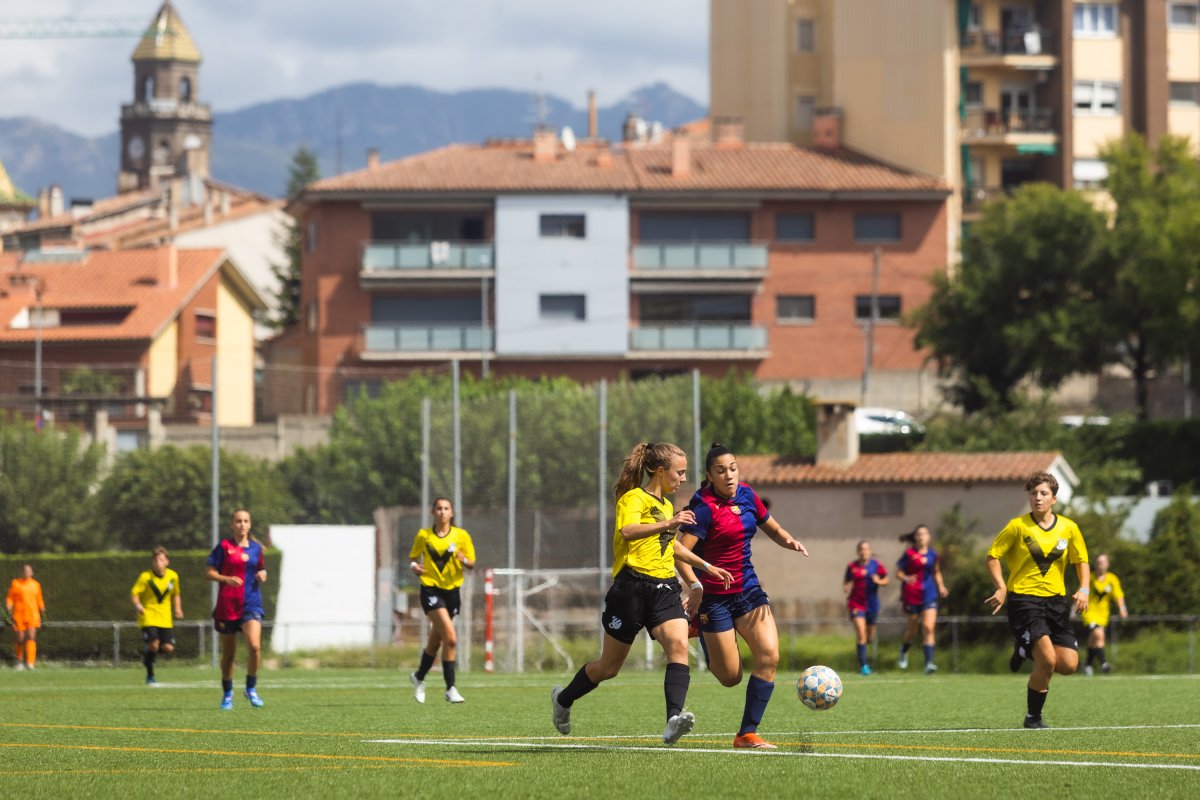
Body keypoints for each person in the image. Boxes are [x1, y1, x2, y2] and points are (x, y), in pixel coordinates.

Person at [550, 442, 734, 745]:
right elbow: (629, 531)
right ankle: (564, 699)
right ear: (660, 471)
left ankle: (673, 719)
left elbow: (670, 543)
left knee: (677, 644)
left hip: (664, 587)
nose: (683, 478)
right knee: (608, 668)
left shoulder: (665, 507)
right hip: (631, 589)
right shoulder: (633, 498)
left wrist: (706, 566)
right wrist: (671, 521)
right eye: (680, 472)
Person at [676, 443, 810, 749]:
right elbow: (680, 553)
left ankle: (746, 734)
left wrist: (788, 540)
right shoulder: (704, 509)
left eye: (733, 468)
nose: (729, 476)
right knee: (730, 677)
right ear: (709, 476)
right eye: (721, 471)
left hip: (748, 591)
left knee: (769, 656)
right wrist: (695, 587)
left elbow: (770, 526)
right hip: (715, 599)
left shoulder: (748, 494)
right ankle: (702, 628)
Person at [985, 471, 1089, 729]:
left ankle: (1023, 648)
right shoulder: (1017, 526)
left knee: (1068, 664)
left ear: (1054, 499)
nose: (1038, 498)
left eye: (1043, 493)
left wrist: (1084, 588)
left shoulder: (1069, 528)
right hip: (1025, 601)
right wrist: (1001, 587)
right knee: (1048, 661)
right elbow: (993, 556)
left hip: (1056, 603)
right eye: (1033, 493)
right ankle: (1033, 718)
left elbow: (1081, 561)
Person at [408, 497, 476, 704]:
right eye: (439, 508)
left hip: (452, 592)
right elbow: (413, 558)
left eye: (446, 508)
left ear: (452, 513)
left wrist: (462, 559)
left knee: (435, 641)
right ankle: (450, 688)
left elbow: (472, 562)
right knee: (451, 639)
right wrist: (415, 568)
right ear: (433, 512)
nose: (443, 512)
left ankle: (419, 677)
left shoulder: (461, 535)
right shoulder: (424, 535)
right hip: (430, 589)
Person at [206, 509, 268, 710]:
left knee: (255, 646)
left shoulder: (256, 549)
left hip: (251, 604)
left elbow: (260, 568)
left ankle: (250, 688)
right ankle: (227, 694)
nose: (242, 524)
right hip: (227, 606)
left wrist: (263, 574)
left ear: (250, 525)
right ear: (232, 524)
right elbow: (209, 572)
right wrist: (226, 579)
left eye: (245, 521)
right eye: (238, 521)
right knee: (229, 654)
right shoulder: (224, 547)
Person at [896, 524, 949, 673]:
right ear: (915, 537)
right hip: (911, 595)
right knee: (913, 630)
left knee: (928, 627)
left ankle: (929, 664)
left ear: (928, 537)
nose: (921, 536)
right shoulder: (909, 553)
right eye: (919, 534)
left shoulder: (933, 555)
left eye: (924, 533)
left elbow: (936, 572)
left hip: (929, 594)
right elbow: (898, 573)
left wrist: (941, 586)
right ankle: (904, 648)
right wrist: (905, 577)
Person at [131, 546, 183, 686]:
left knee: (168, 648)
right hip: (148, 616)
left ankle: (149, 653)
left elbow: (176, 594)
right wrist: (139, 606)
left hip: (165, 618)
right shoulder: (145, 577)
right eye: (155, 560)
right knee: (154, 645)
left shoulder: (173, 576)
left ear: (167, 561)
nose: (157, 563)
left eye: (160, 560)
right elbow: (135, 594)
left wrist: (178, 608)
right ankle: (150, 674)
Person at [844, 540, 889, 676]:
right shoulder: (852, 566)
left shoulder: (876, 565)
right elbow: (846, 581)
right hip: (856, 604)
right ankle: (863, 666)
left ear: (870, 551)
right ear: (858, 551)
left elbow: (886, 580)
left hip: (872, 605)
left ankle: (864, 660)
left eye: (866, 549)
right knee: (861, 634)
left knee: (869, 637)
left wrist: (879, 581)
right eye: (861, 549)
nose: (864, 551)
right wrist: (846, 586)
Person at [1080, 553, 1127, 676]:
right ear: (1095, 564)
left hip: (1103, 614)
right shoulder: (1089, 577)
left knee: (1096, 640)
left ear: (1107, 564)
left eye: (1103, 562)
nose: (1100, 565)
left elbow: (1118, 595)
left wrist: (1122, 608)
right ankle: (1104, 663)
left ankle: (1088, 664)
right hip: (1089, 612)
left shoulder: (1112, 579)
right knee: (1098, 634)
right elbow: (1082, 590)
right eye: (1098, 562)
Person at [6, 564, 45, 671]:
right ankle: (18, 661)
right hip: (19, 615)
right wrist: (8, 608)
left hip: (33, 615)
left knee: (31, 637)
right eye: (25, 571)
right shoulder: (16, 583)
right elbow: (10, 598)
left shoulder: (36, 584)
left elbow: (39, 598)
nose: (27, 573)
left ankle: (30, 663)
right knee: (20, 639)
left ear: (32, 572)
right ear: (21, 572)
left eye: (29, 571)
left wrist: (42, 610)